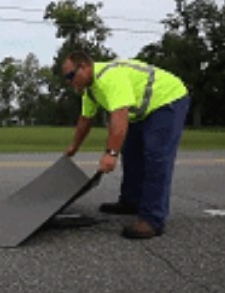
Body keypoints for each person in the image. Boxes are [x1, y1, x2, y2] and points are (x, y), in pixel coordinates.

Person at [62, 51, 189, 239]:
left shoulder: (109, 77)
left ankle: (152, 220)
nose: (69, 82)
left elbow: (119, 115)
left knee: (155, 158)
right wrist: (74, 147)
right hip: (142, 111)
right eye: (66, 78)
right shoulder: (91, 91)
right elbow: (85, 120)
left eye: (71, 76)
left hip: (167, 101)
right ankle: (131, 201)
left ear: (84, 67)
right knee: (131, 153)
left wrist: (111, 153)